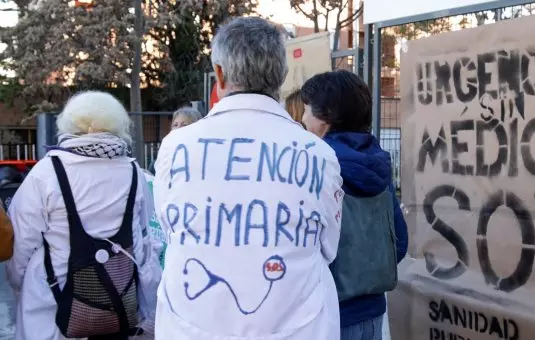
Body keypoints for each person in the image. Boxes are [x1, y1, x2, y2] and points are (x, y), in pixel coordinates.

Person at [153, 17, 344, 340]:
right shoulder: (318, 153)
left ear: (219, 74)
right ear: (281, 76)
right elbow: (327, 247)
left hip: (191, 324)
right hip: (299, 326)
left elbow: (172, 229)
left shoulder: (176, 146)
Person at [6, 91, 161, 340]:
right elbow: (142, 240)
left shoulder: (46, 173)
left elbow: (22, 243)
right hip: (117, 303)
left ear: (69, 125)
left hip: (52, 309)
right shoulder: (133, 171)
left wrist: (18, 286)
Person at [301, 70, 408, 340]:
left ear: (325, 116)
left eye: (306, 110)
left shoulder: (315, 165)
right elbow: (400, 243)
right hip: (373, 312)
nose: (302, 119)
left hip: (328, 314)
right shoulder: (378, 163)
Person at [147, 107, 203, 174]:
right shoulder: (158, 162)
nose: (178, 128)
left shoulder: (201, 159)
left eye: (184, 125)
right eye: (175, 125)